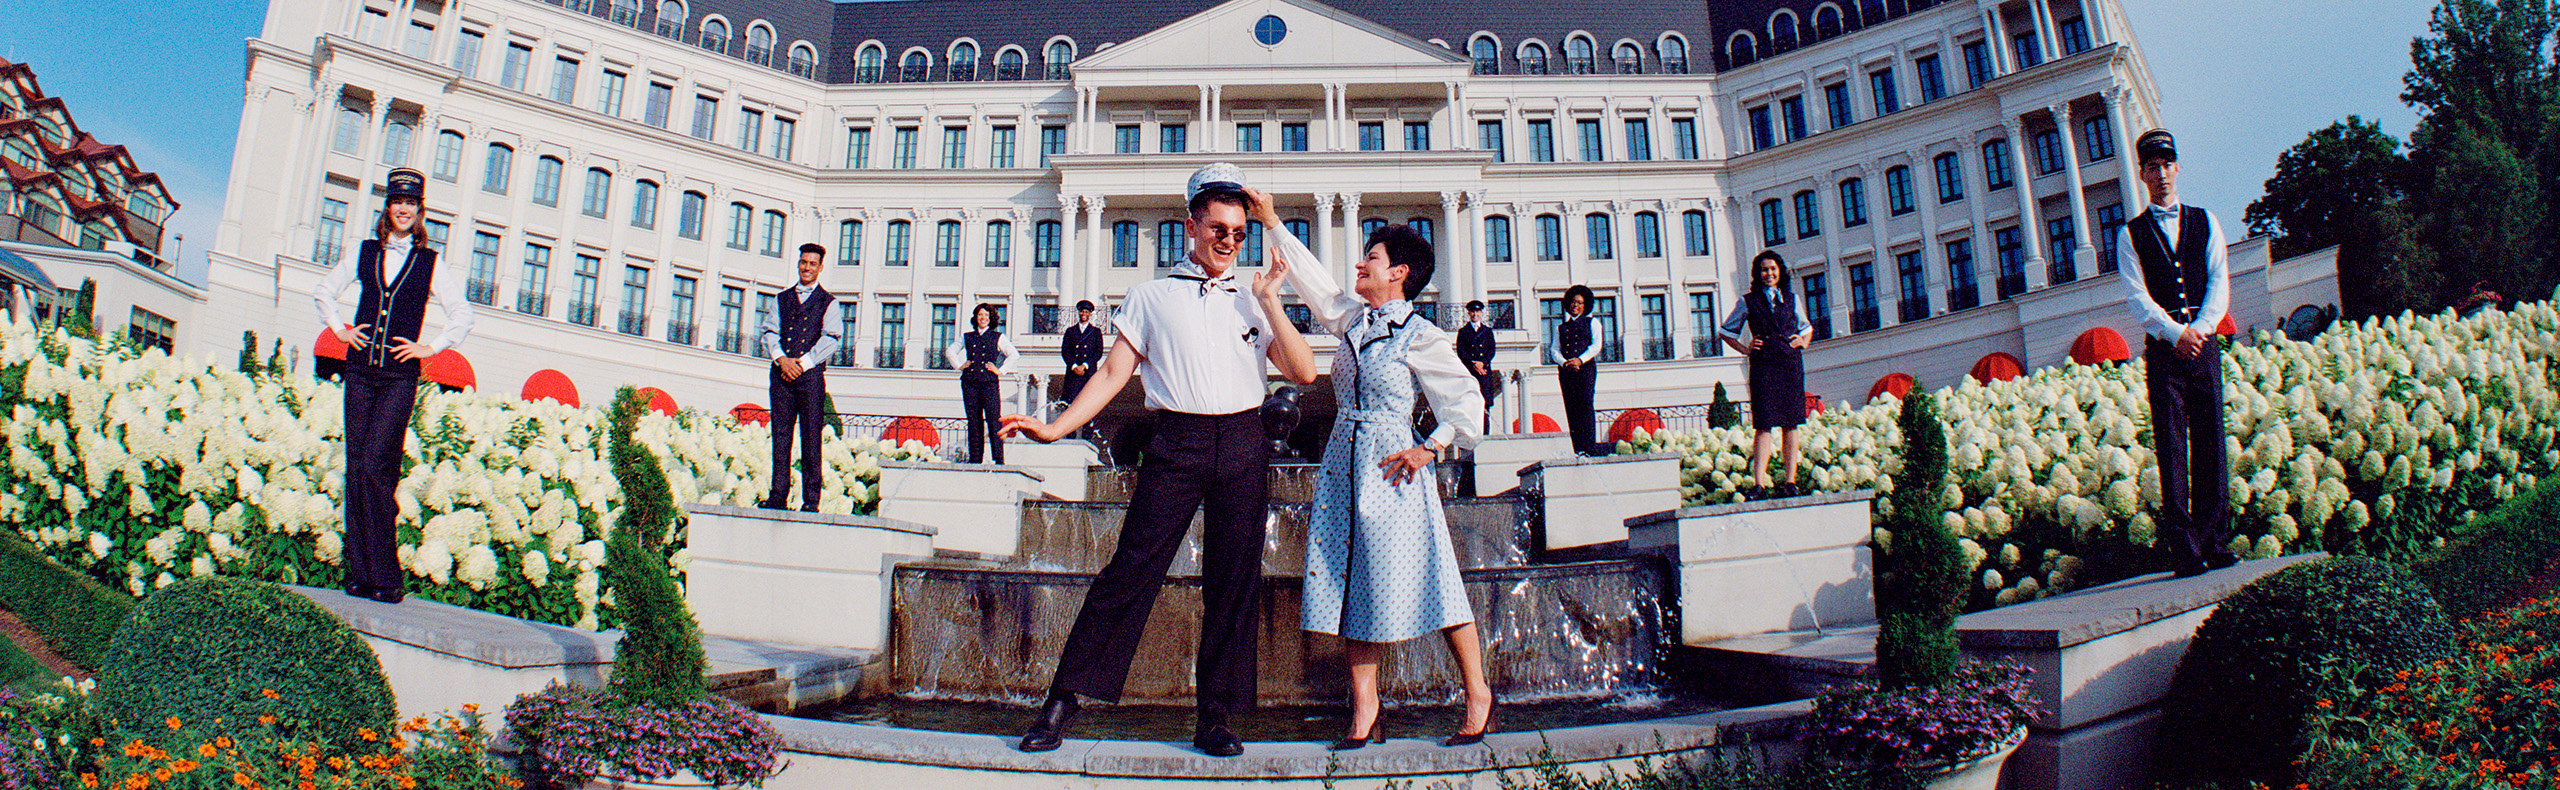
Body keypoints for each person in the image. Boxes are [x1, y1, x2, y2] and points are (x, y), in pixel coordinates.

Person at [1001, 164, 1319, 757]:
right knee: (1131, 570)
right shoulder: (1149, 295)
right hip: (1176, 442)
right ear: (1191, 227)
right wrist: (1056, 427)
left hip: (1244, 444)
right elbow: (1113, 374)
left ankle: (1216, 718)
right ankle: (1062, 702)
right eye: (1218, 227)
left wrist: (1271, 298)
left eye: (1239, 231)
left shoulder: (1252, 299)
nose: (1229, 239)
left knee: (1233, 583)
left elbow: (1302, 371)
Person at [1273, 221, 1495, 750]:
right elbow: (1314, 282)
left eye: (1369, 258)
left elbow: (1469, 404)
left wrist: (1428, 447)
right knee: (1352, 582)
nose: (1358, 265)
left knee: (1434, 577)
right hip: (1343, 465)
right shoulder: (1354, 320)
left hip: (1394, 469)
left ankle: (1478, 691)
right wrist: (1271, 221)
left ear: (1398, 272)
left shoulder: (1421, 335)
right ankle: (1366, 706)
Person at [314, 167, 474, 604]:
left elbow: (462, 314)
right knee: (356, 465)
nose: (404, 209)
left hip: (399, 378)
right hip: (361, 371)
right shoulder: (363, 251)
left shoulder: (431, 263)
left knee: (378, 466)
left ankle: (387, 576)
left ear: (420, 211)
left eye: (412, 203)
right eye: (397, 201)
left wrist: (432, 347)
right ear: (387, 207)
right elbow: (325, 291)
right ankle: (359, 573)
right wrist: (340, 330)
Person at [2115, 128, 2236, 578]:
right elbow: (2136, 297)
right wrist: (2173, 332)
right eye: (2151, 167)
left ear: (2177, 167)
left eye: (2167, 165)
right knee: (2171, 446)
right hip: (2165, 354)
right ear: (2142, 174)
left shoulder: (2207, 221)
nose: (2160, 174)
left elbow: (2219, 281)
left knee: (2210, 442)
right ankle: (2185, 549)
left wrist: (2200, 330)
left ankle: (2215, 540)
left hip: (2203, 347)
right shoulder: (2130, 234)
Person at [1720, 250, 1814, 498]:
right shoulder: (1748, 301)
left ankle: (1790, 482)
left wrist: (1801, 343)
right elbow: (1726, 331)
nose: (1769, 273)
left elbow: (1807, 328)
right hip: (1763, 365)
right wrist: (1746, 348)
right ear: (1757, 274)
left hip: (1789, 364)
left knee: (1791, 423)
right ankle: (1759, 483)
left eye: (1773, 269)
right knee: (1763, 425)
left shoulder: (1792, 299)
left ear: (1779, 271)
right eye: (1764, 269)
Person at [761, 243, 841, 511]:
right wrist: (781, 359)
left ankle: (811, 501)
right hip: (781, 376)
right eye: (803, 262)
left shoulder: (829, 302)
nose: (807, 268)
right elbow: (770, 331)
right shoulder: (781, 299)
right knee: (781, 435)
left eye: (812, 263)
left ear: (820, 267)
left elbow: (831, 339)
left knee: (810, 437)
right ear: (799, 264)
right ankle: (778, 496)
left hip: (810, 379)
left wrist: (803, 363)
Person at [946, 303, 1018, 464]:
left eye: (986, 315)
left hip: (989, 383)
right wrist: (959, 365)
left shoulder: (998, 337)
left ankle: (998, 459)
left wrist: (1001, 370)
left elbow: (1014, 354)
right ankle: (975, 459)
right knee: (974, 421)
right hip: (970, 383)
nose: (983, 318)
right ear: (975, 318)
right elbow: (950, 351)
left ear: (991, 318)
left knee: (994, 420)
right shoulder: (967, 336)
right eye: (980, 315)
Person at [1546, 285, 1602, 455]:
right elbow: (1554, 350)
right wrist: (1565, 363)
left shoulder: (1592, 322)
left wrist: (1579, 360)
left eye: (1579, 303)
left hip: (1585, 370)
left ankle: (1589, 448)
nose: (1575, 305)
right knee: (1571, 408)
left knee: (1585, 406)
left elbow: (1596, 345)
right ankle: (1578, 449)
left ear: (1585, 306)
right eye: (1573, 302)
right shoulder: (1561, 328)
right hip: (1566, 372)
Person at [1456, 300, 1500, 433]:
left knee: (1485, 406)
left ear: (1481, 313)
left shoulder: (1487, 331)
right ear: (1468, 313)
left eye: (1477, 311)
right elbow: (1461, 351)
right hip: (1471, 374)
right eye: (1472, 312)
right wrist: (1473, 364)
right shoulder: (1463, 332)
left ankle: (1485, 434)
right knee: (1471, 405)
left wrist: (1483, 363)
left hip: (1484, 374)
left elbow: (1491, 350)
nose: (1475, 314)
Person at [1060, 299, 1105, 407]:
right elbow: (1065, 351)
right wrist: (1074, 366)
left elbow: (1098, 352)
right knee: (1071, 401)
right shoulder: (1070, 331)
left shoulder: (1095, 332)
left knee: (1087, 402)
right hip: (1073, 372)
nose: (1083, 314)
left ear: (1090, 314)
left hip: (1088, 372)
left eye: (1086, 312)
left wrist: (1084, 366)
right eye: (1081, 311)